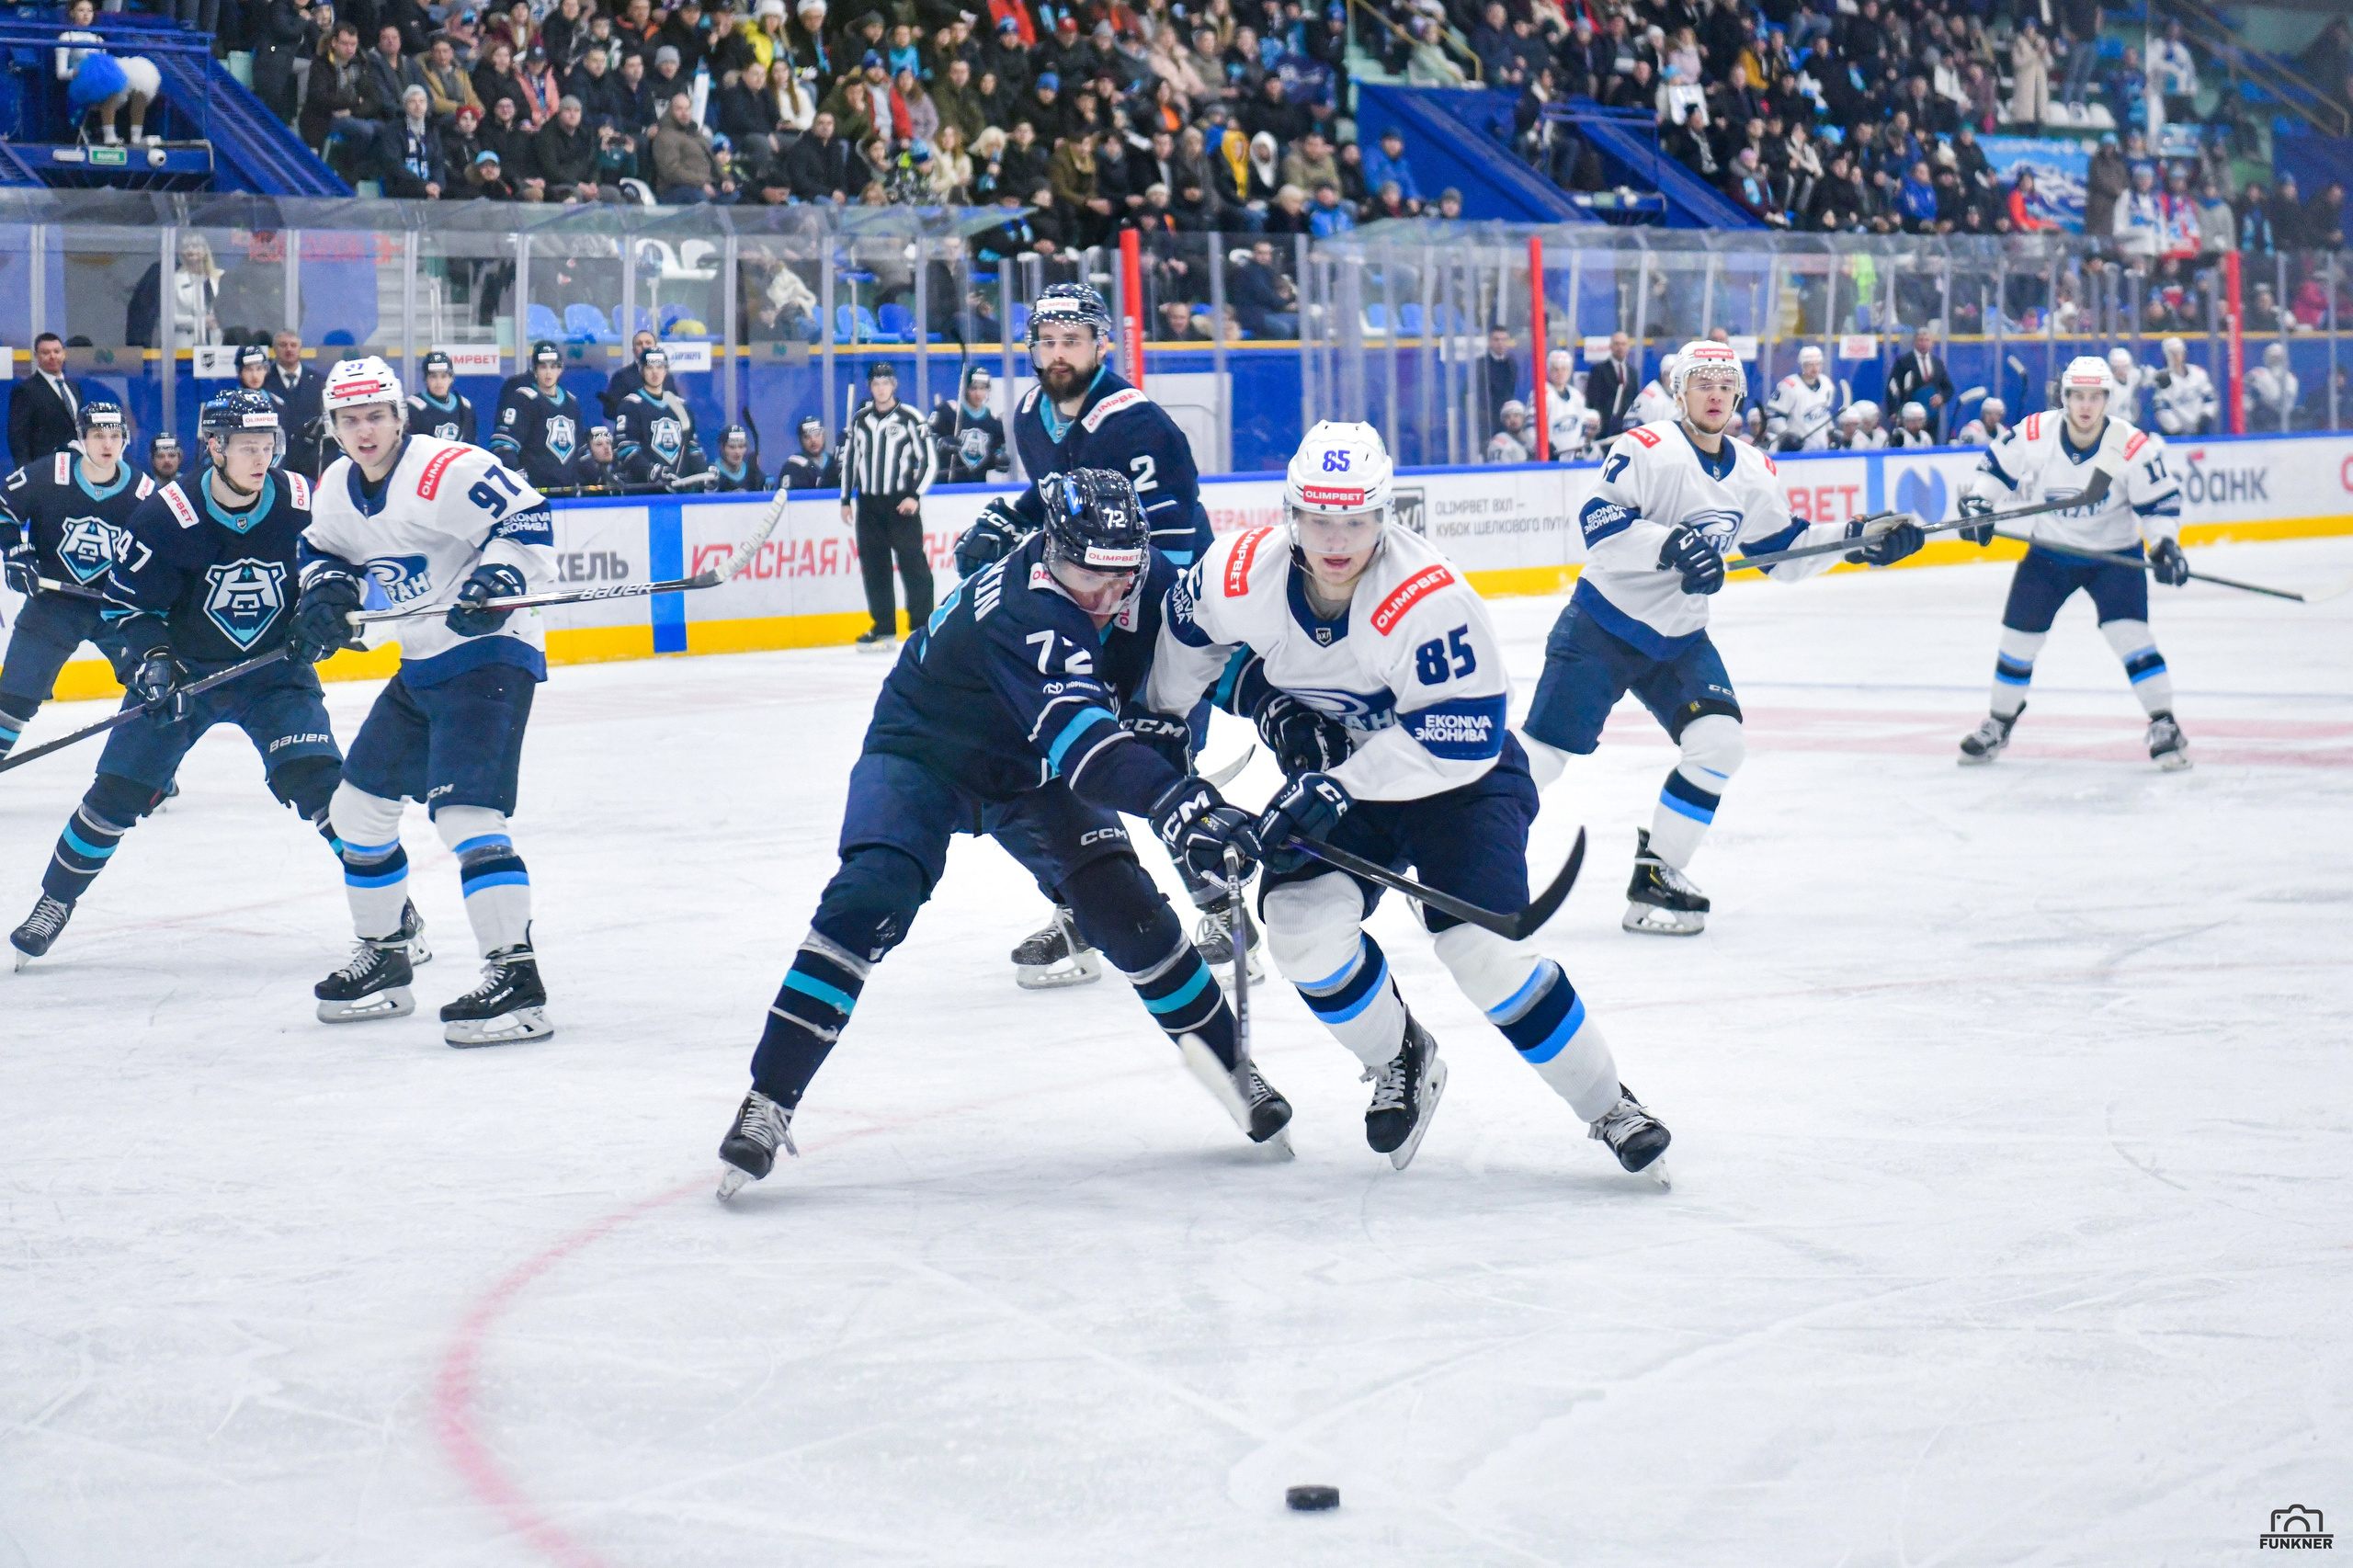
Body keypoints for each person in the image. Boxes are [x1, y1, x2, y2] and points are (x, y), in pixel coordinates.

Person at [712, 468, 1293, 1195]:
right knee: (870, 896)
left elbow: (1209, 661)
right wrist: (1178, 801)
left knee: (1133, 916)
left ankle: (1235, 1073)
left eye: (1121, 577)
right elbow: (1084, 745)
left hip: (1030, 767)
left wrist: (1288, 716)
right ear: (1050, 551)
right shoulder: (1027, 607)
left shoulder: (1145, 578)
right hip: (925, 750)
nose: (1107, 598)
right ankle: (769, 1097)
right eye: (1087, 575)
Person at [1143, 421, 1672, 1177]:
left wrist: (1339, 785)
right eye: (1319, 518)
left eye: (1355, 520)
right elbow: (1186, 641)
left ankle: (1609, 1104)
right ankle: (1400, 1056)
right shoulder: (1238, 574)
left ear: (1384, 516)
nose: (1336, 538)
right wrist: (1173, 760)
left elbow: (1465, 737)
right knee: (1298, 927)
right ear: (1290, 514)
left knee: (1480, 951)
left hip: (1463, 782)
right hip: (1346, 780)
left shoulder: (1428, 597)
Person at [1518, 341, 1927, 937]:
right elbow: (1600, 523)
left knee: (1719, 743)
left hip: (1679, 638)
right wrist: (1671, 545)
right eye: (1701, 383)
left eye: (1724, 383)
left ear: (1738, 395)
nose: (1714, 393)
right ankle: (1462, 858)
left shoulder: (1754, 470)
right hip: (1603, 627)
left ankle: (1657, 874)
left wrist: (1859, 540)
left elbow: (1784, 554)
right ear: (1679, 393)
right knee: (1545, 756)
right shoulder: (1646, 447)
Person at [946, 283, 1242, 976]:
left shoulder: (1137, 424)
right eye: (1046, 341)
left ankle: (1225, 913)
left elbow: (1169, 545)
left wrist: (1131, 643)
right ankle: (1085, 907)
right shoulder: (1029, 414)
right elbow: (1066, 497)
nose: (1057, 354)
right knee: (1046, 762)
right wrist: (1013, 521)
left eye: (1071, 340)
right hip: (1085, 613)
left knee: (1151, 761)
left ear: (1102, 344)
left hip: (1158, 623)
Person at [9, 392, 350, 967]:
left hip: (274, 675)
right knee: (114, 796)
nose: (261, 457)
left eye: (268, 445)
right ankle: (54, 902)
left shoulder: (299, 500)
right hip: (185, 679)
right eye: (247, 446)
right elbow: (126, 609)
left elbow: (335, 566)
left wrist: (326, 609)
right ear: (214, 447)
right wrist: (153, 660)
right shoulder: (166, 513)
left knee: (322, 786)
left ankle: (390, 907)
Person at [291, 356, 560, 1043]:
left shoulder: (449, 469)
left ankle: (516, 977)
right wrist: (327, 596)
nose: (365, 431)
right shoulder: (336, 489)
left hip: (493, 652)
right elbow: (325, 551)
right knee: (358, 811)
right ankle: (385, 954)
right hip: (423, 661)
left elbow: (529, 521)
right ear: (333, 427)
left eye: (376, 415)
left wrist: (495, 579)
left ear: (399, 416)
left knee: (466, 813)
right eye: (350, 420)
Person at [1954, 357, 2190, 771]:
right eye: (2077, 396)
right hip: (2049, 554)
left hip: (2113, 557)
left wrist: (2166, 544)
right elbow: (1995, 471)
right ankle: (1998, 722)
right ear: (2064, 399)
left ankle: (2165, 724)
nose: (2085, 406)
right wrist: (1980, 504)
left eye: (2094, 397)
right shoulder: (2035, 431)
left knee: (2130, 636)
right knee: (2017, 641)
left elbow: (2158, 504)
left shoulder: (2130, 443)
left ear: (2106, 400)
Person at [0, 402, 156, 762]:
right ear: (81, 438)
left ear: (125, 440)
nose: (107, 444)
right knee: (15, 696)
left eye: (115, 435)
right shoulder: (47, 474)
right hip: (53, 606)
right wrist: (15, 552)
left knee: (154, 686)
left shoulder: (143, 492)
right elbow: (4, 509)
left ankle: (147, 769)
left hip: (116, 609)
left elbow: (164, 550)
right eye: (97, 435)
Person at [838, 361, 937, 652]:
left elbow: (929, 461)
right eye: (876, 383)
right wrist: (845, 499)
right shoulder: (860, 419)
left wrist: (915, 496)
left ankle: (921, 626)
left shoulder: (910, 418)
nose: (881, 388)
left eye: (886, 383)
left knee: (913, 564)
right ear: (870, 387)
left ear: (894, 386)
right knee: (874, 566)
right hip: (868, 504)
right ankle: (883, 628)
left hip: (900, 504)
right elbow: (850, 461)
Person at [491, 341, 591, 492]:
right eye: (543, 367)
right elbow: (503, 446)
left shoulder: (571, 402)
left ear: (560, 369)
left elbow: (581, 451)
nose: (548, 372)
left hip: (567, 491)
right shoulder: (522, 400)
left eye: (553, 367)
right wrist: (521, 482)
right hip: (535, 493)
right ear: (535, 370)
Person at [611, 345, 708, 485]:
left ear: (665, 371)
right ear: (642, 371)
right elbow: (626, 449)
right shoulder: (631, 405)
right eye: (649, 367)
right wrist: (652, 471)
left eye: (660, 367)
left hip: (678, 490)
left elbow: (692, 447)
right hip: (644, 492)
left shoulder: (680, 406)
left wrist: (704, 472)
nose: (655, 372)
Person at [8, 334, 86, 467]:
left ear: (64, 354)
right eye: (46, 352)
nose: (52, 356)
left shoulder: (73, 387)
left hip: (76, 464)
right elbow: (18, 437)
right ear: (36, 356)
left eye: (57, 351)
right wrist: (25, 471)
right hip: (44, 466)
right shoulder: (26, 390)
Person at [928, 364, 1008, 484]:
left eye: (983, 388)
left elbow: (995, 452)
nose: (978, 394)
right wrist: (941, 443)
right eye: (973, 388)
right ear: (965, 388)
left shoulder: (993, 421)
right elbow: (927, 439)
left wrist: (999, 460)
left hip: (978, 487)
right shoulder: (948, 412)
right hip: (946, 486)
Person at [265, 331, 329, 477]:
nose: (289, 349)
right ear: (274, 349)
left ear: (300, 349)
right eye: (283, 345)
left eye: (293, 345)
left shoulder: (319, 383)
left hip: (311, 464)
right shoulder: (264, 382)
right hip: (275, 462)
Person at [1762, 345, 1836, 450]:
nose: (1815, 368)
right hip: (1797, 451)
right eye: (1810, 365)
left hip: (1821, 449)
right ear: (1802, 365)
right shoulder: (1789, 386)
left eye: (1818, 364)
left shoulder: (1827, 383)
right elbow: (1773, 415)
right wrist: (1786, 435)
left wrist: (1831, 431)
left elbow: (1824, 413)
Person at [1885, 328, 1954, 437]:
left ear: (1932, 343)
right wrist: (1893, 411)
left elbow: (1949, 388)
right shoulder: (1903, 362)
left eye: (1927, 340)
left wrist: (1941, 397)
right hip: (1909, 418)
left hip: (1931, 418)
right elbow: (1892, 387)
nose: (1924, 343)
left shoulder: (1938, 363)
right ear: (1915, 342)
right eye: (1920, 340)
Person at [407, 351, 479, 446]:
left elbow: (472, 446)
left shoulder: (465, 407)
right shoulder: (412, 408)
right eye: (433, 377)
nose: (439, 382)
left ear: (451, 378)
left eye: (444, 376)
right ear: (425, 379)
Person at [2150, 336, 2217, 437]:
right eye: (2172, 353)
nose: (2176, 356)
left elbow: (2210, 399)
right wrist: (2176, 429)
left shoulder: (2198, 373)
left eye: (2178, 352)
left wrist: (2205, 417)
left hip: (2201, 431)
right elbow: (2162, 410)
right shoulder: (2163, 379)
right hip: (2175, 435)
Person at [1583, 331, 1639, 438]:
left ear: (1628, 346)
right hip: (1604, 430)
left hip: (1625, 430)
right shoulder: (1599, 370)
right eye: (1617, 344)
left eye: (1623, 344)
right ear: (1611, 346)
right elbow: (1592, 400)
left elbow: (1634, 400)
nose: (1620, 347)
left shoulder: (1633, 373)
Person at [781, 415, 838, 489]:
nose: (813, 441)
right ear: (800, 440)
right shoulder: (792, 467)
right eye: (807, 437)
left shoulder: (835, 463)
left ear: (823, 436)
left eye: (817, 434)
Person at [710, 425, 766, 491]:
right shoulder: (710, 475)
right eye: (732, 447)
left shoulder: (753, 474)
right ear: (722, 448)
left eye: (741, 447)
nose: (737, 452)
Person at [1485, 399, 1532, 463]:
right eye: (1507, 417)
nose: (1513, 420)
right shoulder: (1499, 442)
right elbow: (1499, 470)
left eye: (1516, 415)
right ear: (1503, 421)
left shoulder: (1531, 440)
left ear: (1523, 417)